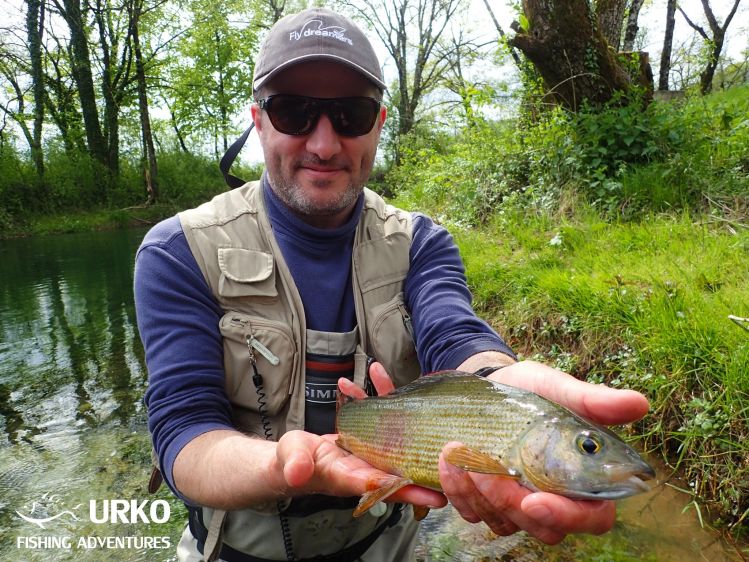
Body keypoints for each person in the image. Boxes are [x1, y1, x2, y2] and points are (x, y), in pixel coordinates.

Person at [134, 7, 650, 562]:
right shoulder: (178, 251)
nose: (325, 144)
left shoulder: (422, 242)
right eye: (293, 112)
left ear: (378, 123)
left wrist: (505, 388)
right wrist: (284, 466)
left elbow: (455, 335)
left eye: (351, 114)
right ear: (258, 120)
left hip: (386, 541)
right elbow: (183, 434)